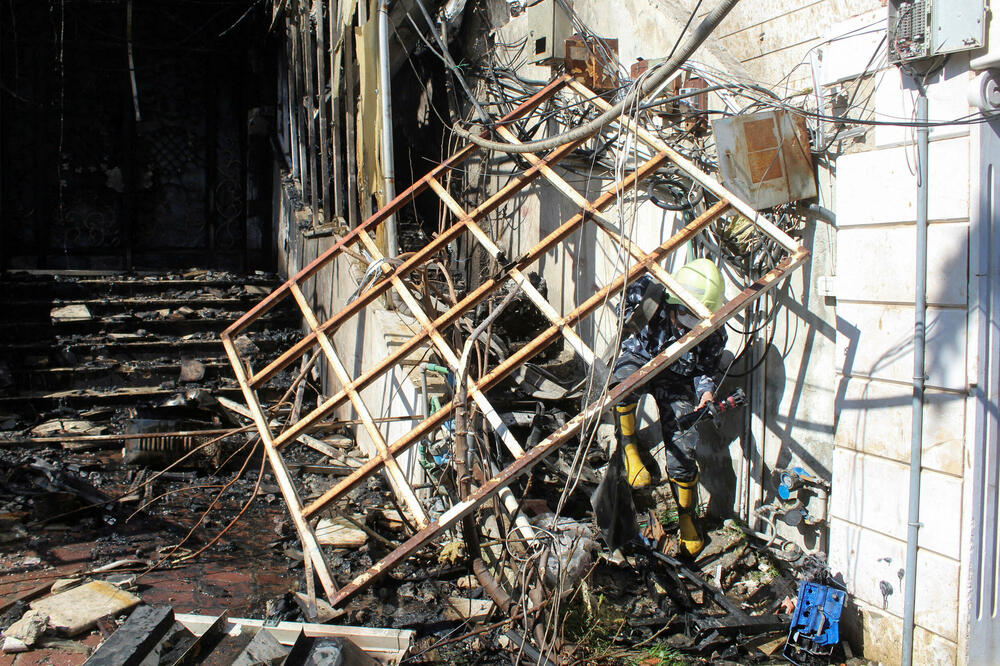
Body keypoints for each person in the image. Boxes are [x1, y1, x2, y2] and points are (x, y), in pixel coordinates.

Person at [611, 258, 727, 557]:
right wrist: (636, 315)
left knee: (683, 448)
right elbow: (622, 310)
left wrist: (706, 394)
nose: (687, 326)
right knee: (622, 385)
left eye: (696, 321)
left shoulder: (714, 334)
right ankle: (630, 450)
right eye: (684, 316)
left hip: (677, 380)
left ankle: (689, 521)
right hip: (641, 357)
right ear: (674, 301)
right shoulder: (649, 294)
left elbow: (705, 372)